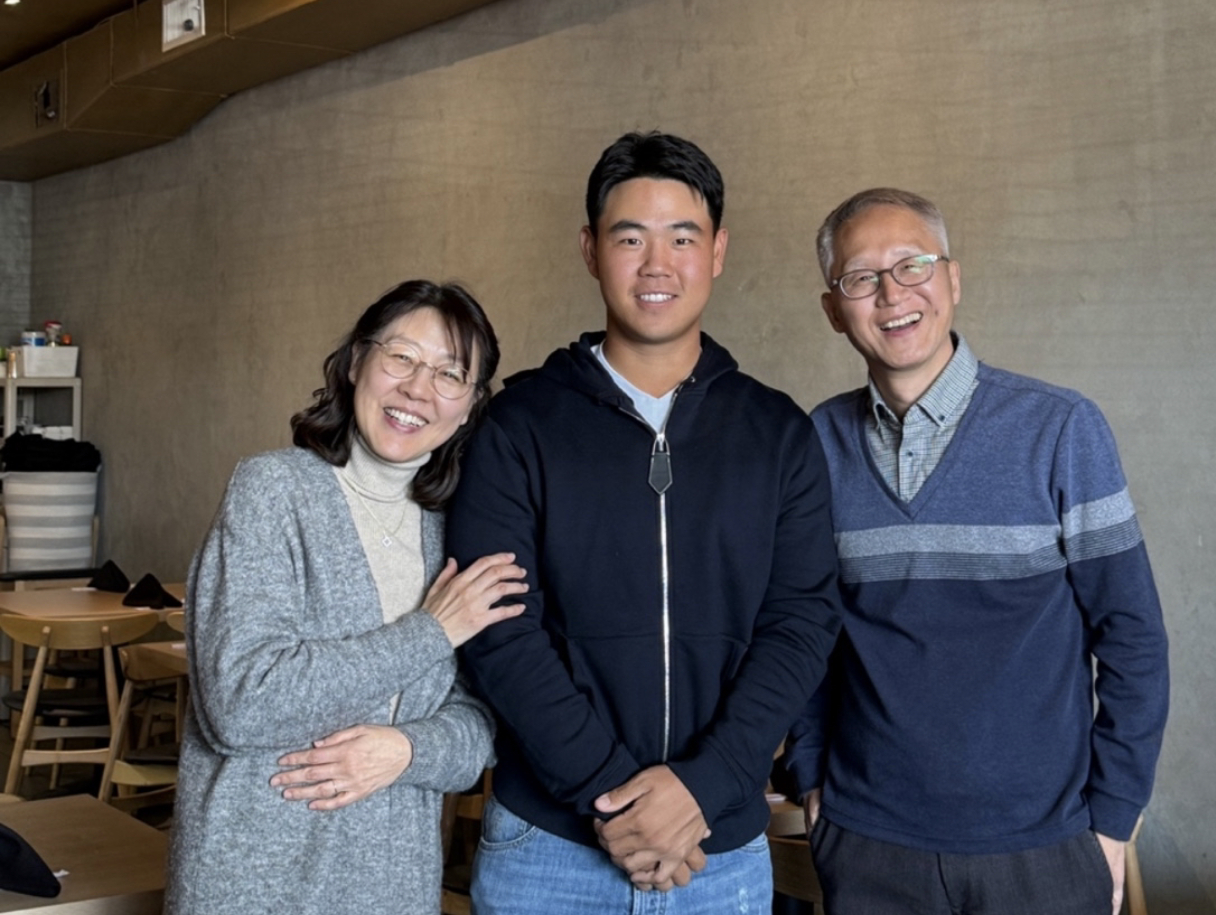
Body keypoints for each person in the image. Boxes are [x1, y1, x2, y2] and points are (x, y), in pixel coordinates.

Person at [445, 131, 842, 914]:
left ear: (718, 250)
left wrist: (703, 787)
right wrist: (615, 802)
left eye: (682, 237)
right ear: (591, 250)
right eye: (630, 237)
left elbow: (800, 622)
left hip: (718, 853)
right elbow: (498, 630)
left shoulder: (779, 433)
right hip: (548, 851)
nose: (656, 264)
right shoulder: (518, 424)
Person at [785, 188, 1170, 915]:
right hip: (868, 844)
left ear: (953, 280)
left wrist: (1112, 820)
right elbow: (810, 633)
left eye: (912, 265)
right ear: (835, 309)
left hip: (1042, 849)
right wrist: (812, 778)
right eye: (860, 278)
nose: (891, 294)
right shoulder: (818, 444)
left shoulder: (1060, 430)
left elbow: (1134, 636)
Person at [165, 280, 529, 915]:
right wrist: (430, 632)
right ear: (358, 361)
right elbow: (241, 702)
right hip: (255, 883)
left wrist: (407, 749)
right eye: (402, 357)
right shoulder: (273, 492)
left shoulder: (454, 528)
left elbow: (478, 725)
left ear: (470, 406)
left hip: (391, 886)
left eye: (450, 374)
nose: (419, 389)